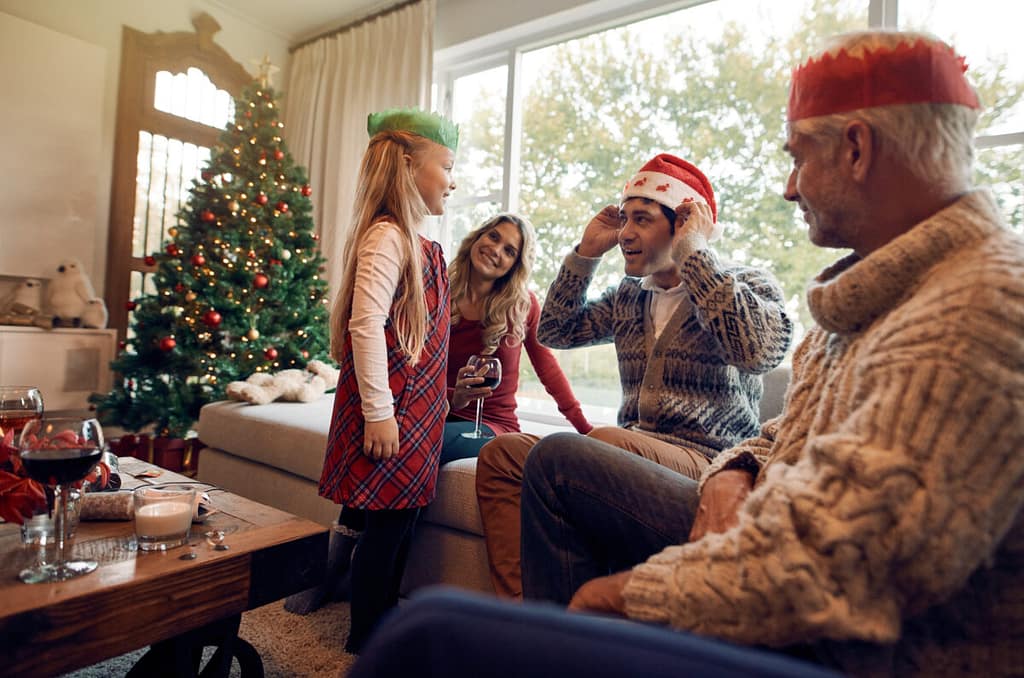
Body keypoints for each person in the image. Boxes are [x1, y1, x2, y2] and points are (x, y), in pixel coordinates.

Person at [516, 30, 1024, 676]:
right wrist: (744, 465)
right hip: (754, 508)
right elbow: (794, 425)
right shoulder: (872, 293)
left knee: (427, 636)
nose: (788, 187)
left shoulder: (978, 307)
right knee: (541, 468)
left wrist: (623, 598)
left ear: (857, 147)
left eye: (797, 156)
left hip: (855, 650)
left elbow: (829, 564)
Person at [476, 153, 793, 598]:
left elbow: (759, 351)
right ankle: (522, 617)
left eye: (641, 220)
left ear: (683, 224)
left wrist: (695, 258)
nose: (625, 233)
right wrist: (586, 255)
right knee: (503, 456)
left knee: (601, 442)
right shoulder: (630, 297)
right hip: (628, 450)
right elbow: (554, 330)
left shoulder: (744, 284)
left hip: (706, 460)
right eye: (625, 219)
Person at [289, 107, 458, 654]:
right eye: (447, 166)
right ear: (409, 166)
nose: (452, 181)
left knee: (398, 526)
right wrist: (380, 413)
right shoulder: (387, 237)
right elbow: (366, 325)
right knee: (386, 535)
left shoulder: (420, 243)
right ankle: (369, 641)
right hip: (393, 412)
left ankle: (382, 631)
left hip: (420, 412)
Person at [442, 213, 592, 465]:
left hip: (492, 426)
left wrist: (586, 429)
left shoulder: (523, 305)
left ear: (515, 265)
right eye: (493, 236)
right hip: (439, 413)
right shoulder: (439, 290)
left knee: (423, 442)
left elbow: (548, 370)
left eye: (509, 251)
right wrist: (450, 396)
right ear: (478, 236)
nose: (495, 250)